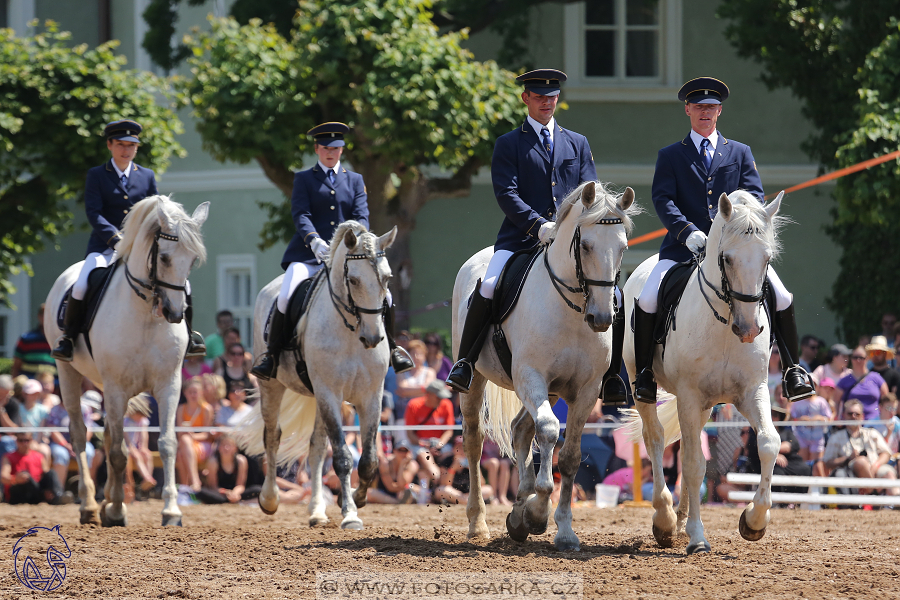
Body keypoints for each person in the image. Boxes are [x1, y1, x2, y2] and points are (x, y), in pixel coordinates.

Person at [445, 69, 626, 404]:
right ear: (526, 98)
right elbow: (506, 193)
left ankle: (614, 375)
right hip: (520, 240)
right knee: (487, 285)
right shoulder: (509, 143)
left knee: (614, 294)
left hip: (570, 247)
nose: (547, 102)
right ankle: (466, 362)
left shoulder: (577, 142)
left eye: (552, 97)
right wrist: (538, 225)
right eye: (540, 97)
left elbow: (593, 195)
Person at [630, 77, 814, 404]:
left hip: (735, 250)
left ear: (719, 111)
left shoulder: (740, 153)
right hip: (683, 249)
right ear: (687, 110)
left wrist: (739, 229)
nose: (705, 112)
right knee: (646, 298)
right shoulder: (671, 155)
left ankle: (793, 370)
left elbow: (754, 198)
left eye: (711, 107)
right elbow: (663, 200)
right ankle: (645, 373)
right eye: (698, 107)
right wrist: (687, 232)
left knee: (783, 295)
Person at [251, 122, 413, 381]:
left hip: (348, 257)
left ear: (342, 150)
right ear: (317, 149)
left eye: (336, 148)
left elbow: (361, 216)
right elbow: (301, 214)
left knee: (387, 297)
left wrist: (356, 243)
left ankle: (393, 348)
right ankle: (272, 354)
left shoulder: (355, 180)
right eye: (326, 148)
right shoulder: (303, 179)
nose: (331, 152)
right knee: (286, 294)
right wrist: (314, 240)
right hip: (308, 253)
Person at [50, 120, 204, 361]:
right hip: (105, 246)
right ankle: (69, 338)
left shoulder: (146, 176)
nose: (126, 150)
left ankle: (189, 336)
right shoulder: (97, 175)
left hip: (141, 250)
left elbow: (154, 214)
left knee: (183, 285)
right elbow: (94, 212)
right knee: (81, 284)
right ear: (110, 145)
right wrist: (116, 239)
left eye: (131, 146)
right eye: (121, 144)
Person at [823, 399, 897, 496]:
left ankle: (896, 502)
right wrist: (848, 458)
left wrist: (876, 465)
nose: (853, 416)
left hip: (875, 469)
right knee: (861, 461)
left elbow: (886, 453)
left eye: (857, 414)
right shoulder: (836, 437)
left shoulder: (871, 433)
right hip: (849, 473)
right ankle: (873, 493)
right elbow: (827, 462)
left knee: (888, 473)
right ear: (844, 415)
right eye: (850, 414)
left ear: (862, 417)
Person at [747, 400, 811, 494]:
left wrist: (774, 450)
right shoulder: (758, 431)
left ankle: (795, 501)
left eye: (775, 415)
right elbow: (754, 447)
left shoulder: (785, 432)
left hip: (787, 461)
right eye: (770, 414)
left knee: (804, 468)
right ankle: (777, 502)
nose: (772, 417)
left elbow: (794, 445)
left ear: (780, 417)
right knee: (776, 472)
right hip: (765, 462)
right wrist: (773, 455)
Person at [403, 380, 456, 490]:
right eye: (438, 397)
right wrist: (425, 444)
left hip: (440, 443)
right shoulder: (413, 405)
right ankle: (438, 487)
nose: (441, 400)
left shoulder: (447, 404)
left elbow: (449, 431)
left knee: (451, 456)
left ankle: (448, 488)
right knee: (425, 457)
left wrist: (439, 445)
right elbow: (410, 434)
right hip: (419, 444)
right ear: (430, 394)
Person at [1, 433, 73, 505]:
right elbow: (3, 477)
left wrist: (48, 489)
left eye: (26, 440)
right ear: (16, 441)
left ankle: (58, 496)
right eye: (21, 440)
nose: (24, 443)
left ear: (31, 441)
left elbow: (47, 474)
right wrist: (15, 479)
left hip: (35, 490)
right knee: (25, 475)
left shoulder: (38, 456)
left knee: (51, 473)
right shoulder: (8, 457)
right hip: (18, 492)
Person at [45, 390, 96, 489]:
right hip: (60, 443)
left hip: (80, 441)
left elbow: (88, 430)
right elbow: (53, 430)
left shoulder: (85, 409)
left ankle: (86, 490)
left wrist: (78, 444)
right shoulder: (55, 410)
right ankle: (58, 491)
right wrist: (66, 445)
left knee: (88, 452)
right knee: (61, 455)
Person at [196, 434, 262, 504]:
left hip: (236, 492)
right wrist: (227, 493)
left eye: (229, 445)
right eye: (223, 445)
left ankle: (231, 501)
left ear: (235, 448)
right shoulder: (213, 462)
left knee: (258, 489)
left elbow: (240, 485)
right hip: (220, 493)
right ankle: (231, 501)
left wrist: (235, 493)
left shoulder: (241, 461)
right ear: (219, 448)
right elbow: (213, 486)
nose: (226, 448)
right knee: (202, 492)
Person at [175, 377, 214, 491]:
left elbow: (207, 435)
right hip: (186, 444)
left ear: (201, 393)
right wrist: (188, 437)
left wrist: (192, 436)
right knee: (181, 451)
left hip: (203, 445)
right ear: (185, 393)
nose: (193, 395)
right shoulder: (181, 409)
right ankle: (188, 487)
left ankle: (191, 483)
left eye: (195, 392)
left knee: (183, 448)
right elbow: (179, 433)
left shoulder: (206, 409)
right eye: (190, 392)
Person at [790, 377, 834, 476]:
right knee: (802, 464)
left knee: (817, 465)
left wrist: (820, 418)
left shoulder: (821, 401)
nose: (809, 386)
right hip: (801, 437)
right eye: (807, 383)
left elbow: (829, 419)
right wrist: (801, 420)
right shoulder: (797, 402)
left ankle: (820, 488)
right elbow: (792, 419)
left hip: (817, 437)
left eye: (812, 384)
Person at [434, 435, 495, 505]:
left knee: (488, 489)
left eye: (465, 448)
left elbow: (481, 484)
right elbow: (445, 484)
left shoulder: (472, 461)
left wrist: (473, 470)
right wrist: (452, 469)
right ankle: (466, 501)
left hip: (468, 494)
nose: (462, 451)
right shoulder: (446, 461)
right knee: (441, 490)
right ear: (453, 449)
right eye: (459, 448)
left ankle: (464, 501)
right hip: (454, 493)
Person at [834, 346, 888, 421]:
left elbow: (886, 400)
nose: (858, 360)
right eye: (855, 357)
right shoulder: (844, 380)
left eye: (861, 357)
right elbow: (836, 401)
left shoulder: (876, 378)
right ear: (851, 359)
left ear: (867, 358)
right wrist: (838, 417)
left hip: (874, 424)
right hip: (851, 423)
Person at [366, 439, 418, 505]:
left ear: (409, 452)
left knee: (409, 489)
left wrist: (402, 466)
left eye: (405, 451)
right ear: (394, 451)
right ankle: (398, 502)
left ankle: (400, 501)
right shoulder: (386, 463)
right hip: (385, 493)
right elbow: (390, 487)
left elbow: (402, 485)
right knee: (370, 493)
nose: (402, 454)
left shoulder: (412, 465)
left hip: (402, 492)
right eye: (400, 450)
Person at [12, 304, 55, 379]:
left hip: (55, 386)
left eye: (50, 315)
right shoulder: (26, 338)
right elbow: (16, 366)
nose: (47, 318)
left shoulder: (59, 340)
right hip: (29, 386)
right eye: (44, 315)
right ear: (39, 316)